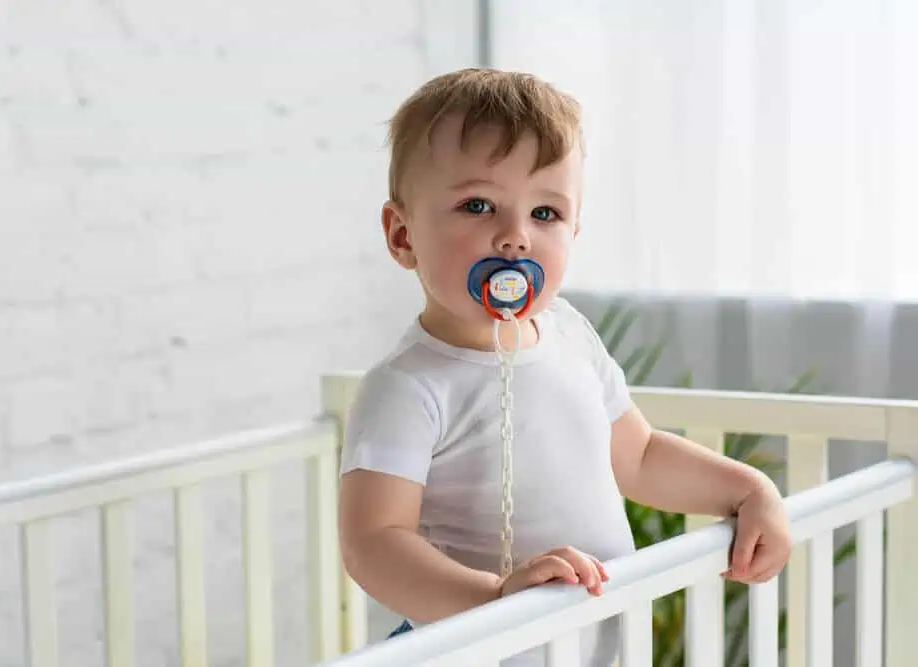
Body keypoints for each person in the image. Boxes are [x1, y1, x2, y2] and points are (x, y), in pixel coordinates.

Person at [337, 68, 791, 667]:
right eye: (478, 205)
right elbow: (375, 542)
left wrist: (748, 489)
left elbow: (640, 455)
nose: (514, 237)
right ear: (403, 236)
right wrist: (496, 596)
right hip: (480, 652)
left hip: (593, 647)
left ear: (574, 228)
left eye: (546, 213)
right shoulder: (408, 387)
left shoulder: (570, 334)